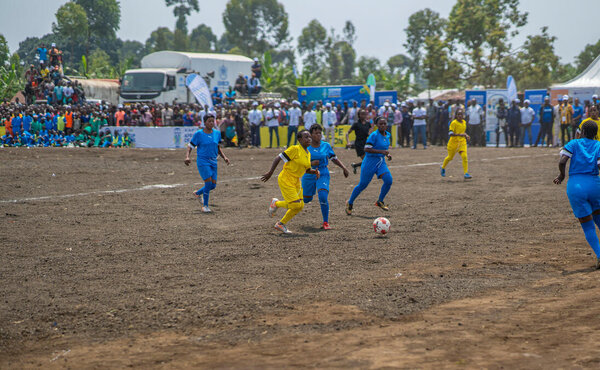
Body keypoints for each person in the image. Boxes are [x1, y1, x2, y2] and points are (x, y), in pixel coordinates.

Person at [554, 120, 600, 268]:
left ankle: (599, 255)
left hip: (576, 186)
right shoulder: (598, 145)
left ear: (583, 132)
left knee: (587, 225)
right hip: (594, 185)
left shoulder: (574, 143)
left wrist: (561, 176)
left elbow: (562, 161)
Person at [261, 130, 320, 234]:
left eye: (309, 137)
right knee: (295, 205)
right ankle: (276, 204)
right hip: (286, 178)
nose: (309, 139)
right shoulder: (294, 149)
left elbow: (306, 170)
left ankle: (280, 224)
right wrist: (270, 172)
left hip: (296, 181)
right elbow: (278, 158)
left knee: (300, 205)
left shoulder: (308, 153)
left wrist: (314, 172)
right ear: (299, 139)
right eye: (306, 137)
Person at [302, 124, 350, 229]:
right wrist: (311, 163)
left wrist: (344, 168)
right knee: (306, 200)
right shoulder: (305, 147)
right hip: (308, 174)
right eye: (316, 133)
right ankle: (277, 203)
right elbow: (299, 163)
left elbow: (334, 158)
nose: (318, 135)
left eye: (320, 133)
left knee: (323, 196)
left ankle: (325, 222)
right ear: (311, 135)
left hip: (322, 173)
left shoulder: (326, 145)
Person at [345, 116, 393, 215]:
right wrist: (382, 151)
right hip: (369, 162)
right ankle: (350, 202)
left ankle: (380, 201)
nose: (383, 125)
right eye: (380, 124)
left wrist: (387, 155)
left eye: (384, 123)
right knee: (362, 185)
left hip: (380, 162)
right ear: (376, 125)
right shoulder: (373, 135)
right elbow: (366, 149)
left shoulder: (387, 135)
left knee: (388, 180)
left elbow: (384, 149)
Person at [184, 112, 231, 213]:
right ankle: (205, 206)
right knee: (208, 183)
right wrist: (187, 157)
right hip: (203, 161)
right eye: (209, 121)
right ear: (204, 123)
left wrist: (224, 157)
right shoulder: (199, 134)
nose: (211, 123)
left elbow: (217, 147)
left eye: (212, 121)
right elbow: (190, 146)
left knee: (213, 185)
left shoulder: (217, 133)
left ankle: (198, 193)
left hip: (213, 161)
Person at [440, 109, 472, 179]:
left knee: (464, 157)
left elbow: (463, 132)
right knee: (450, 157)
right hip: (453, 143)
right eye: (458, 114)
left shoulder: (464, 122)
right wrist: (461, 135)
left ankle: (466, 173)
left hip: (462, 143)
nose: (460, 116)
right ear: (456, 115)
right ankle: (442, 167)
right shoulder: (454, 123)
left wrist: (466, 135)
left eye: (461, 114)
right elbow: (450, 133)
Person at [346, 109, 373, 174]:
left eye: (364, 114)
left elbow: (368, 133)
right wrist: (348, 142)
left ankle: (355, 165)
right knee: (367, 160)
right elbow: (347, 133)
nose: (363, 115)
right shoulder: (356, 124)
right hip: (359, 144)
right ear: (359, 115)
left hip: (366, 143)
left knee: (368, 160)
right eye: (362, 114)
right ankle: (364, 172)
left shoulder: (368, 124)